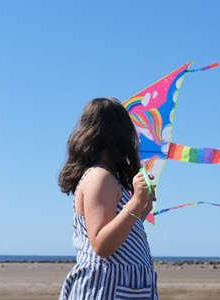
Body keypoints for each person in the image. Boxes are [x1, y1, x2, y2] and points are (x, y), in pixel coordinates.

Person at [58, 98, 158, 299]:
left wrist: (141, 208)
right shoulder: (99, 177)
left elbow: (120, 238)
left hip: (120, 288)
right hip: (105, 289)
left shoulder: (108, 178)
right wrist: (135, 202)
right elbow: (102, 245)